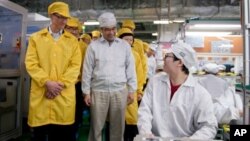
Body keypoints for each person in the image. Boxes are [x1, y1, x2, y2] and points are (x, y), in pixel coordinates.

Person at [25, 2, 81, 141]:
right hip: (42, 94)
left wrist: (58, 86)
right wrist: (47, 82)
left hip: (62, 95)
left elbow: (75, 66)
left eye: (65, 18)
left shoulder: (72, 42)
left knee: (62, 135)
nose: (63, 21)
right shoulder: (36, 38)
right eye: (59, 17)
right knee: (39, 135)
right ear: (51, 16)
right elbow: (31, 63)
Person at [137, 41, 218, 139]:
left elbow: (209, 126)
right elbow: (145, 111)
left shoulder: (200, 94)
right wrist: (146, 133)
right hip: (155, 138)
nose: (163, 58)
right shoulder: (155, 82)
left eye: (167, 56)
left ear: (180, 62)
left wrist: (192, 140)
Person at [81, 12, 137, 141]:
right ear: (101, 30)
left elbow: (130, 69)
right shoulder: (93, 47)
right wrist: (86, 92)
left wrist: (132, 90)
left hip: (120, 91)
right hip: (98, 91)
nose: (111, 32)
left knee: (118, 128)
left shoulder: (124, 46)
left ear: (116, 29)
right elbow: (87, 70)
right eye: (107, 30)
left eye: (113, 29)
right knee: (96, 127)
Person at [117, 28, 144, 141]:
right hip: (116, 91)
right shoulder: (114, 53)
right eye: (126, 39)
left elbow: (140, 74)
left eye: (130, 40)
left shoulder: (136, 55)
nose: (128, 42)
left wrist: (139, 91)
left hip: (131, 91)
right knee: (116, 120)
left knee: (132, 120)